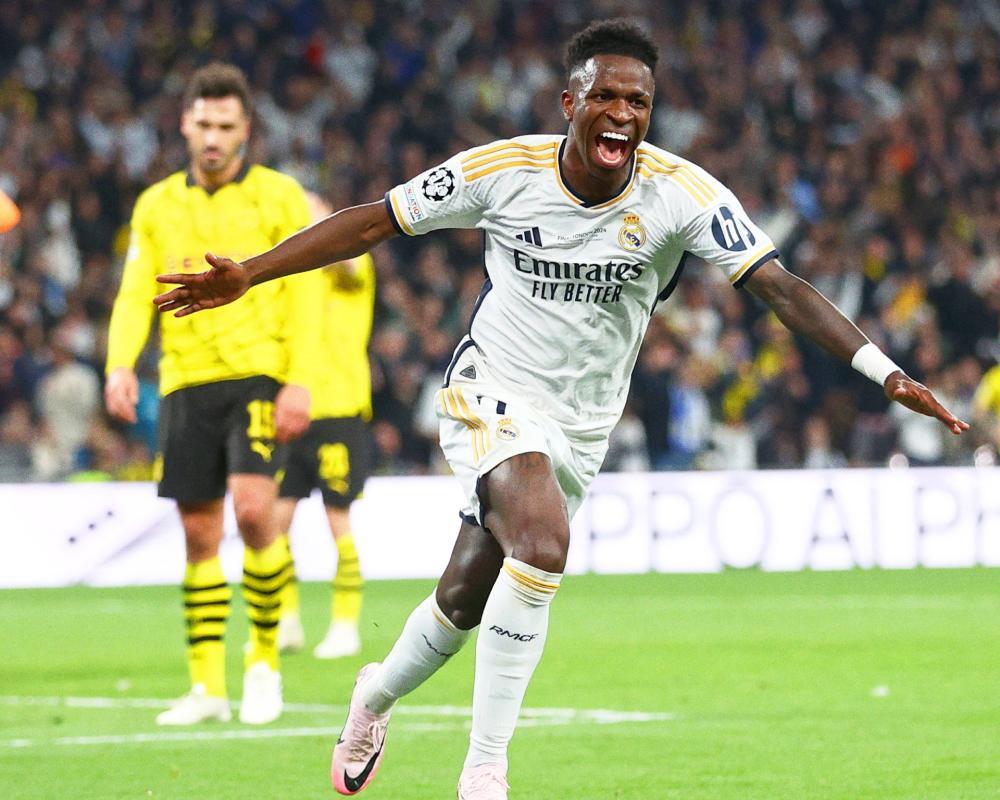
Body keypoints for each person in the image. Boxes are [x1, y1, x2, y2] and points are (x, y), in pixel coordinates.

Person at [153, 20, 969, 798]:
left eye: (638, 101)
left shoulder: (682, 195)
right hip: (491, 389)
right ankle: (484, 773)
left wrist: (883, 370)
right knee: (543, 544)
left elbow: (780, 288)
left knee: (462, 601)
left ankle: (373, 696)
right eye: (605, 96)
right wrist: (251, 273)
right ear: (570, 102)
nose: (622, 114)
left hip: (582, 425)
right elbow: (374, 222)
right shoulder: (502, 171)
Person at [106, 62, 324, 727]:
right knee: (199, 533)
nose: (212, 137)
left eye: (225, 126)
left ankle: (263, 664)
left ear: (245, 129)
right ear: (184, 124)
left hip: (259, 374)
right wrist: (119, 365)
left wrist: (300, 379)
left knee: (255, 513)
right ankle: (206, 687)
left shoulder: (280, 196)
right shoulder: (156, 205)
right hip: (185, 380)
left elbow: (307, 292)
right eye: (203, 123)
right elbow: (135, 292)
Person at [275, 222, 376, 660]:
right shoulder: (295, 280)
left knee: (338, 519)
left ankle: (345, 623)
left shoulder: (352, 268)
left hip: (339, 410)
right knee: (275, 521)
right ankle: (286, 620)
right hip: (292, 409)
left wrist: (319, 223)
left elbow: (351, 264)